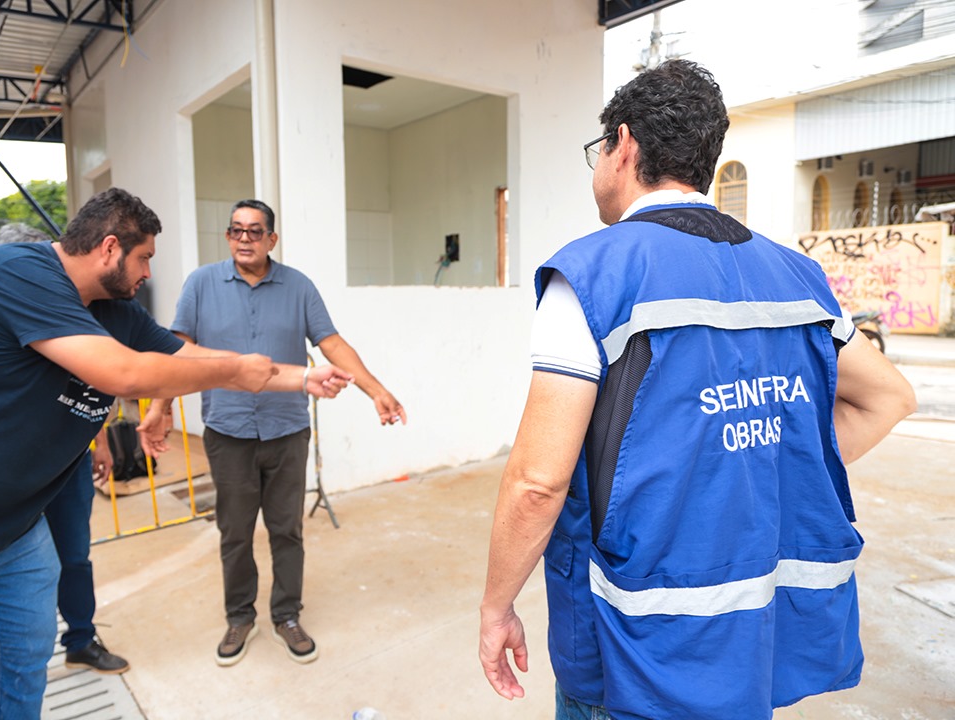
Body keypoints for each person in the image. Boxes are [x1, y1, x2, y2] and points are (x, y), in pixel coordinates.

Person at [478, 60, 917, 720]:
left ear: (622, 145)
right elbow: (889, 398)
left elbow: (537, 484)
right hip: (750, 644)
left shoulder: (593, 274)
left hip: (632, 648)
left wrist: (495, 606)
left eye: (599, 151)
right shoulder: (796, 276)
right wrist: (756, 459)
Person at [0, 187, 351, 719]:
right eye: (144, 257)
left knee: (20, 677)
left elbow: (187, 355)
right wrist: (237, 372)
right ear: (108, 249)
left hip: (14, 529)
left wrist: (302, 376)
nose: (148, 273)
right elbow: (123, 373)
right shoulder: (14, 273)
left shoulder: (116, 311)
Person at [144, 198, 405, 667]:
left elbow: (331, 343)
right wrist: (161, 407)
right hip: (228, 433)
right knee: (235, 532)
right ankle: (239, 617)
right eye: (236, 230)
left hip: (286, 432)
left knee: (287, 531)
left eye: (255, 231)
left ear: (271, 239)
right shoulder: (201, 284)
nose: (245, 239)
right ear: (228, 237)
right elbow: (177, 351)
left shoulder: (298, 287)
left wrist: (376, 389)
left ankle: (286, 614)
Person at [0, 221, 130, 674]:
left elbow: (90, 385)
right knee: (7, 565)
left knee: (74, 555)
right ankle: (17, 653)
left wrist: (103, 442)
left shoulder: (73, 316)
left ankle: (81, 637)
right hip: (10, 468)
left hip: (69, 463)